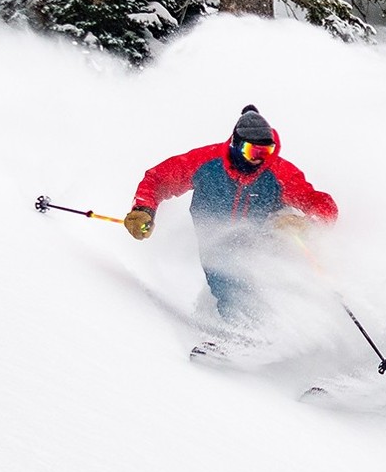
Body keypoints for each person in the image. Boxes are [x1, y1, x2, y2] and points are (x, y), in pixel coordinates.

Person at [124, 105, 338, 343]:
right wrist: (143, 209)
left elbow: (321, 204)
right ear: (236, 143)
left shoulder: (279, 172)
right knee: (225, 278)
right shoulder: (207, 162)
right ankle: (245, 336)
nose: (258, 160)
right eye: (252, 151)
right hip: (214, 238)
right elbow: (158, 179)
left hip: (264, 239)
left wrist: (306, 223)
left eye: (265, 152)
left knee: (273, 281)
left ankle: (283, 337)